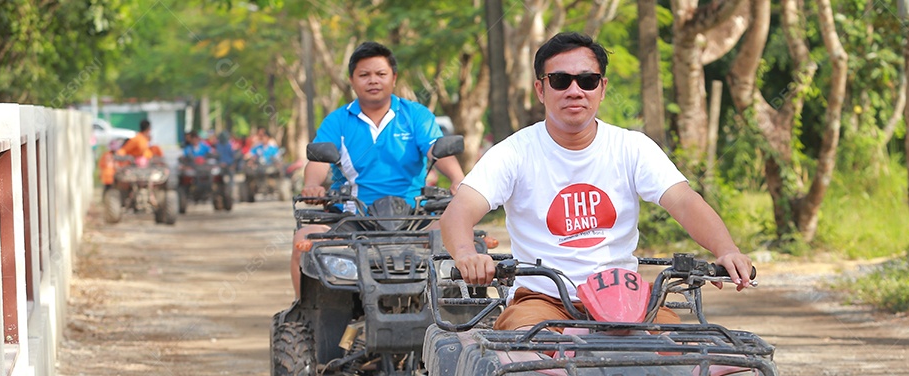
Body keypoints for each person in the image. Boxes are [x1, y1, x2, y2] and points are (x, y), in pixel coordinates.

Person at [441, 32, 753, 331]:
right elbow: (460, 210)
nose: (574, 91)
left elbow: (684, 201)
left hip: (624, 296)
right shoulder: (512, 152)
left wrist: (726, 249)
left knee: (676, 349)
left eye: (587, 81)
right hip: (541, 299)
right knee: (531, 349)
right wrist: (467, 255)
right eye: (561, 81)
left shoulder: (632, 147)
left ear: (602, 89)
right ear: (541, 90)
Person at [290, 41, 465, 297]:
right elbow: (318, 160)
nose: (373, 80)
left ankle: (462, 319)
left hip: (414, 218)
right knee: (304, 240)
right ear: (352, 80)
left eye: (380, 74)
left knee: (460, 235)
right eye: (364, 75)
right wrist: (312, 185)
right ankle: (302, 312)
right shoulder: (338, 120)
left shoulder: (415, 115)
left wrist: (459, 179)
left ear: (393, 78)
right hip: (352, 218)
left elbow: (436, 148)